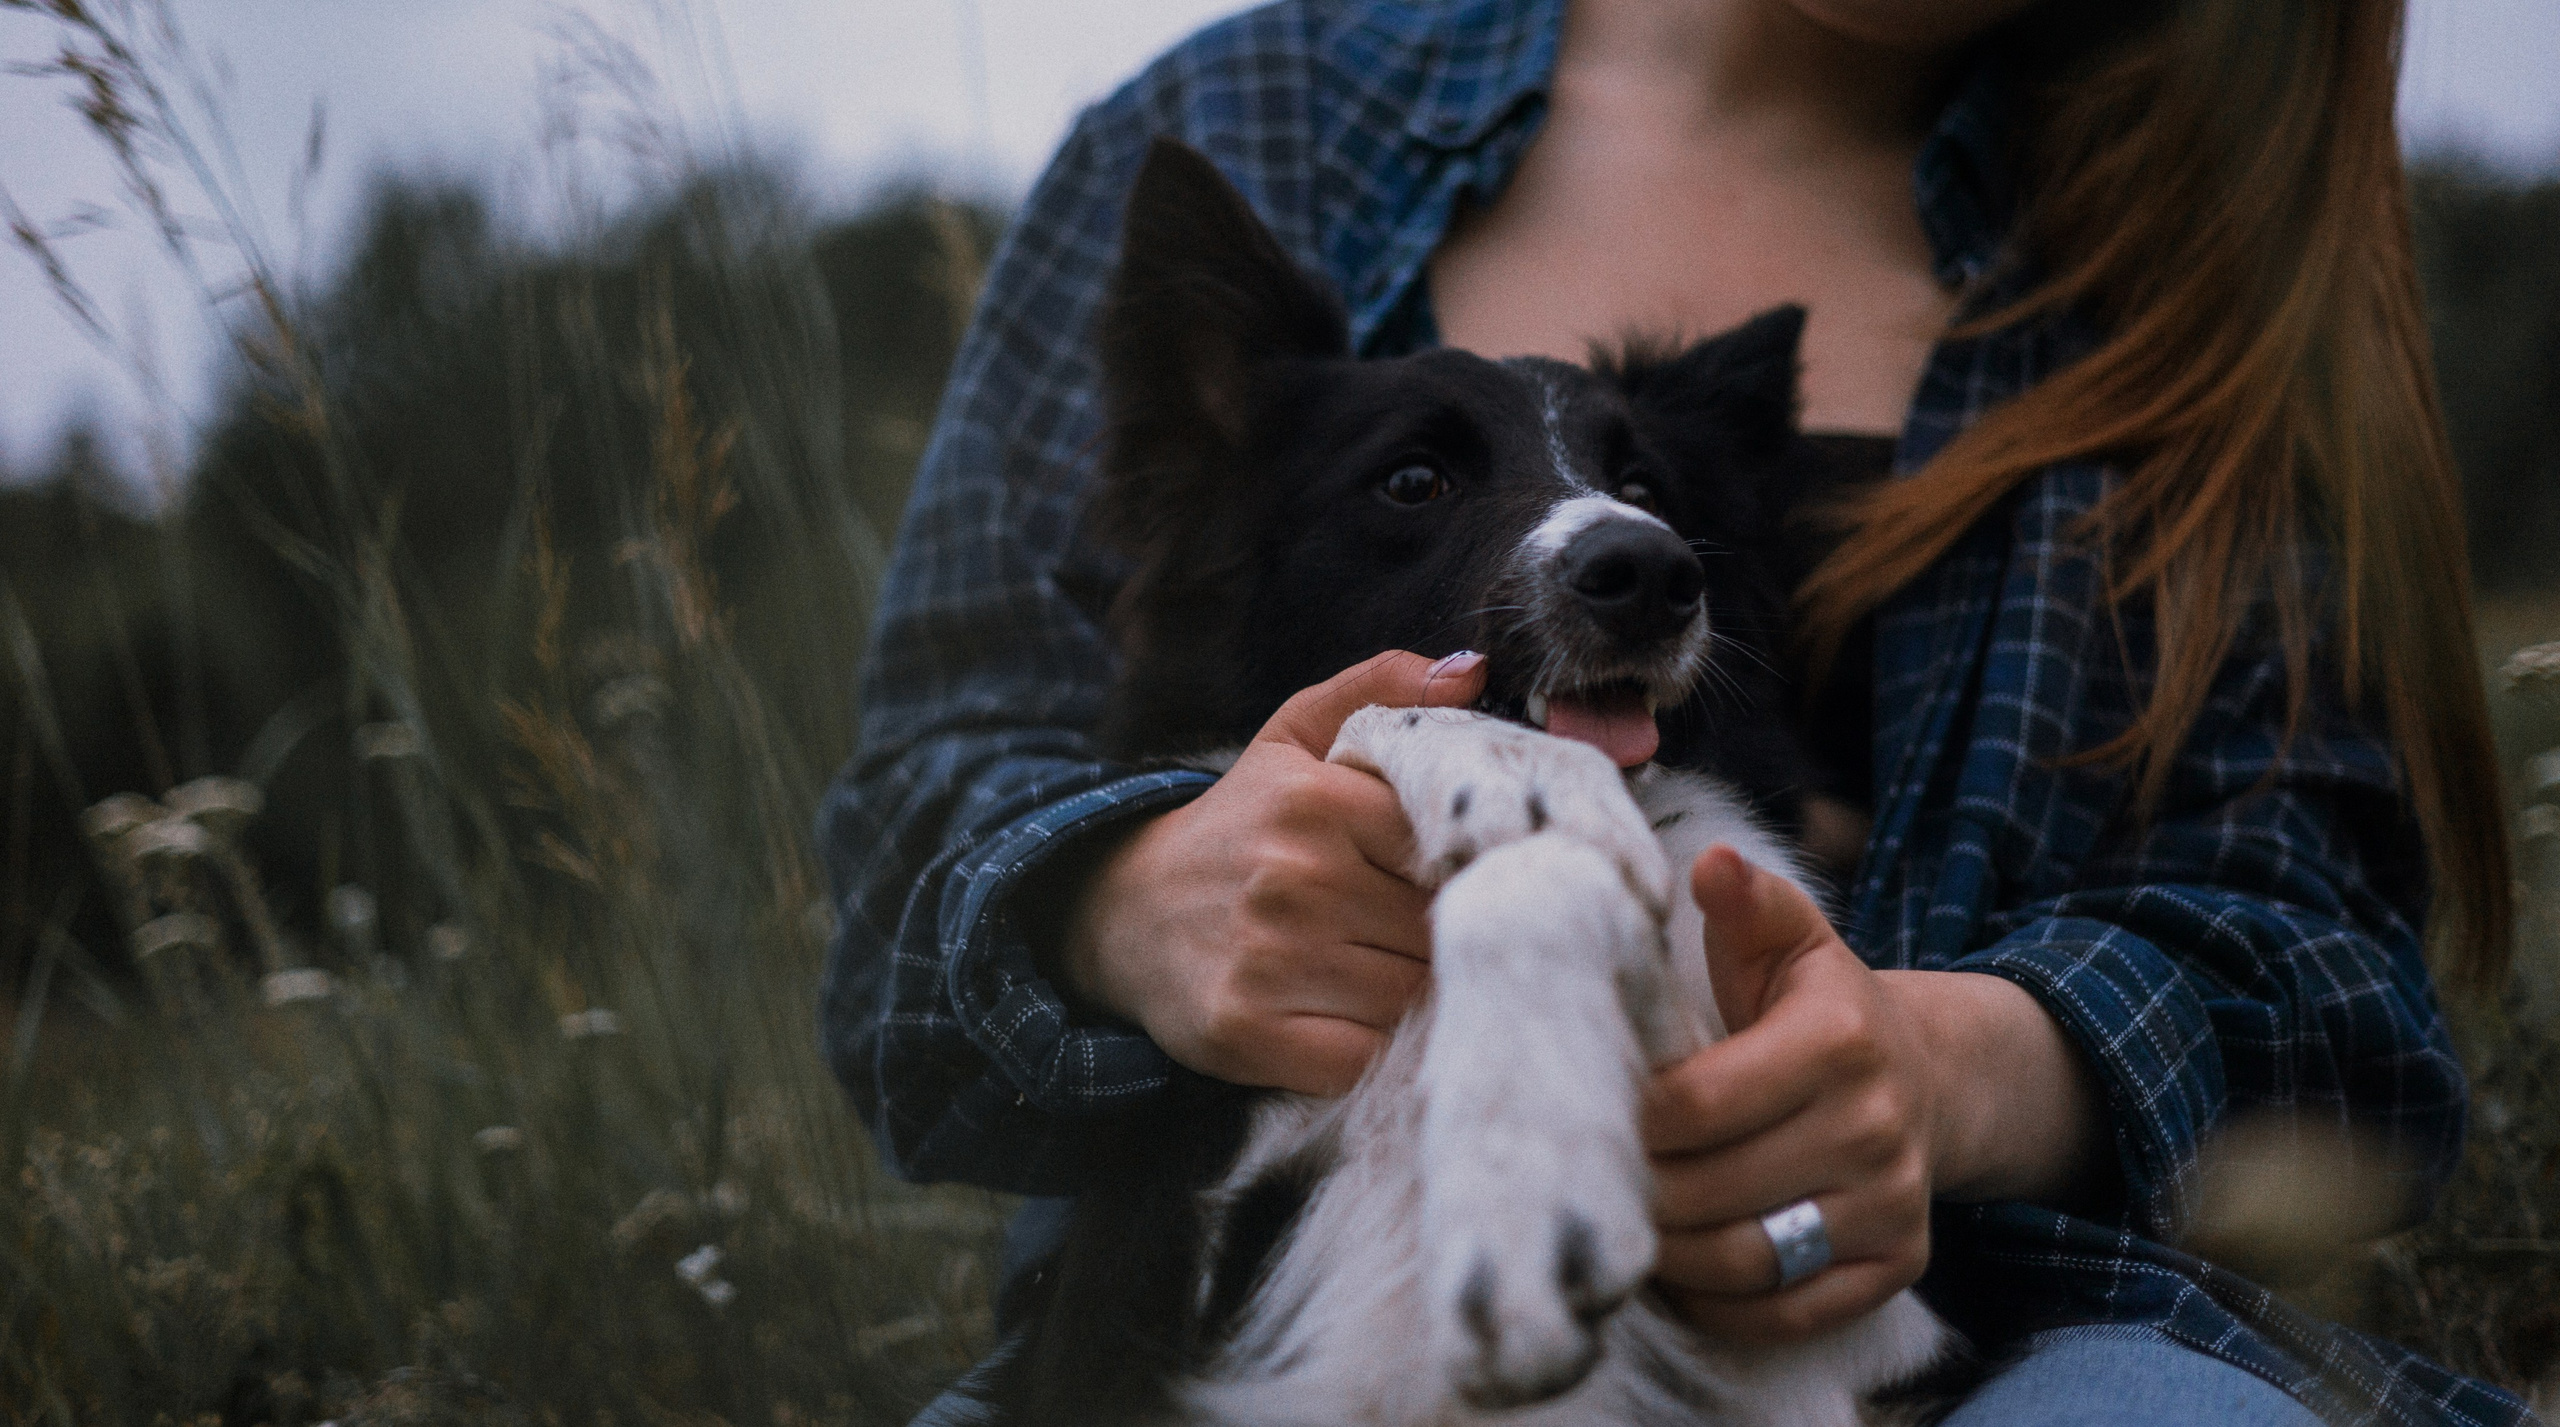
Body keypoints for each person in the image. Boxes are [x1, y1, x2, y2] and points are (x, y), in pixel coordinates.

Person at [816, 0, 2533, 1421]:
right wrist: (1128, 898)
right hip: (1196, 1321)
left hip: (2000, 1355)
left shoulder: (2202, 254)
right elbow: (904, 847)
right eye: (1417, 478)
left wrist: (1941, 1076)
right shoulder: (1249, 111)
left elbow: (2347, 1008)